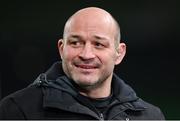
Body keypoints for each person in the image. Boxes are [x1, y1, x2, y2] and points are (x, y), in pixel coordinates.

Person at [0, 7, 165, 120]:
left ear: (119, 53)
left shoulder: (150, 116)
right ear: (61, 48)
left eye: (98, 44)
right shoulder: (18, 110)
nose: (86, 54)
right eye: (76, 43)